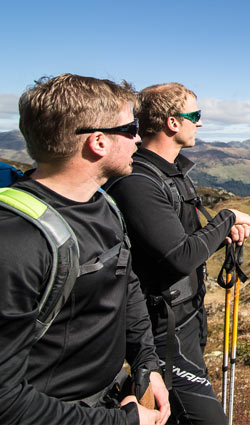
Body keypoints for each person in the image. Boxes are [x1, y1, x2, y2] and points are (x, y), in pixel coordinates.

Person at [0, 74, 170, 424]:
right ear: (98, 142)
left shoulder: (103, 202)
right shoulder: (17, 242)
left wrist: (145, 363)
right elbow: (6, 401)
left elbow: (125, 282)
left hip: (110, 400)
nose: (139, 137)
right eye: (130, 127)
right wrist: (125, 422)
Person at [106, 83, 250, 424]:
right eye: (195, 116)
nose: (199, 124)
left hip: (185, 320)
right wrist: (226, 219)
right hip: (163, 331)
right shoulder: (139, 182)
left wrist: (220, 233)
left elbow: (178, 240)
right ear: (173, 123)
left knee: (173, 414)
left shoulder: (169, 174)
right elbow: (179, 256)